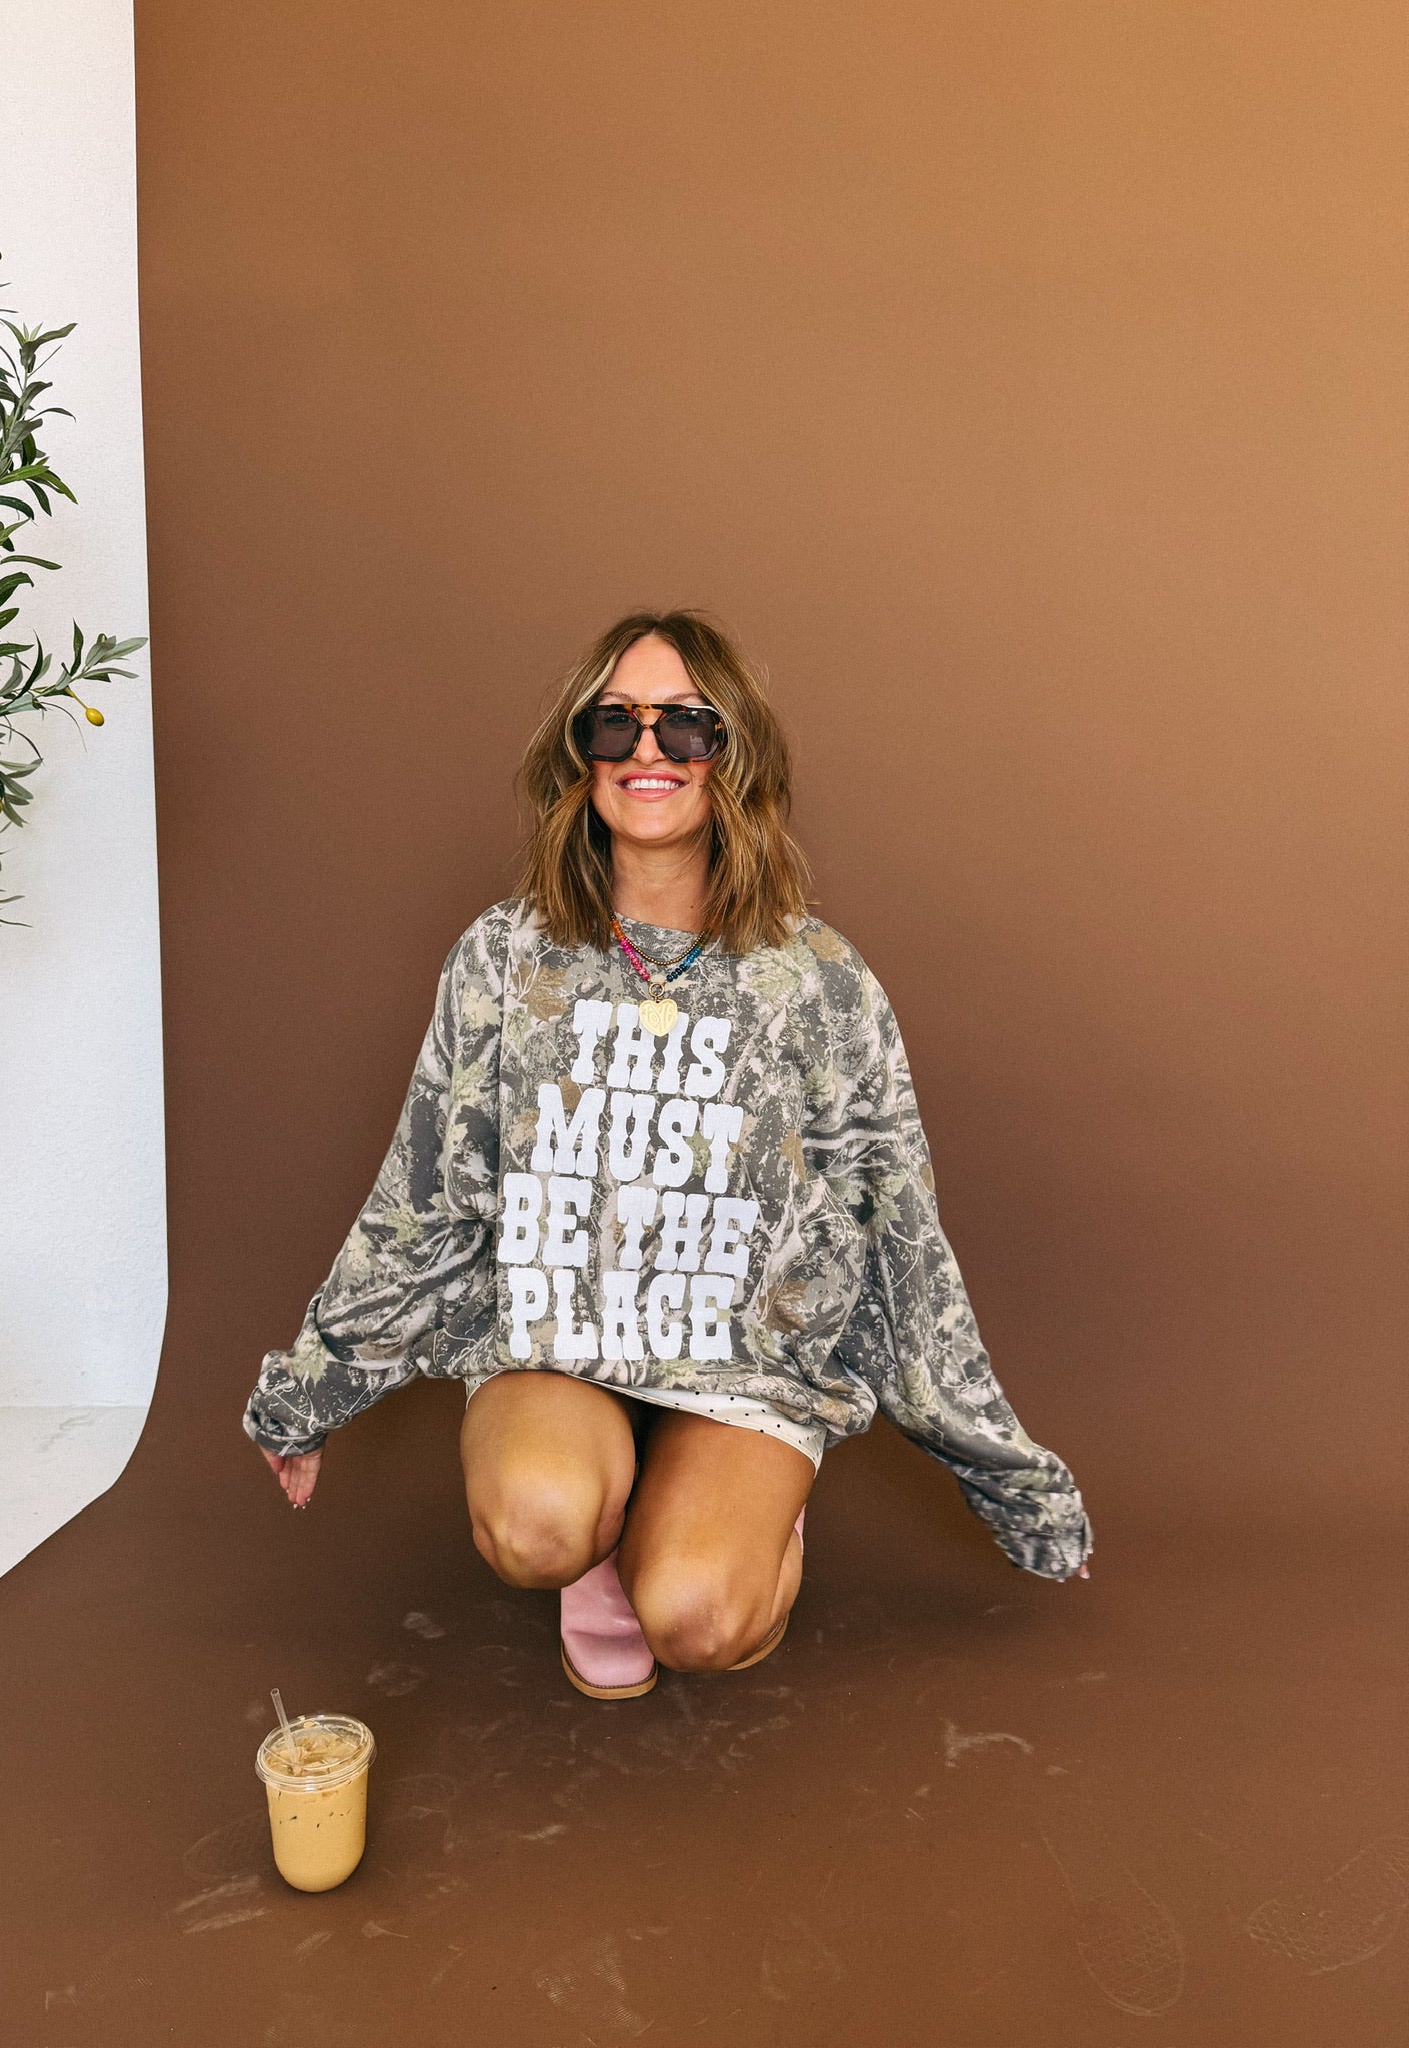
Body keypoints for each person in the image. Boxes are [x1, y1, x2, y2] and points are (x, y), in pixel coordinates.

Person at [243, 610, 1092, 1700]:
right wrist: (308, 1390)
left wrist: (1013, 1480)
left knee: (696, 1620)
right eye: (615, 723)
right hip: (557, 1344)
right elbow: (430, 1195)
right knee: (534, 1525)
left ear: (736, 758)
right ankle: (601, 1524)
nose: (648, 749)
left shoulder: (817, 983)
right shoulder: (505, 957)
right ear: (580, 756)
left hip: (742, 1365)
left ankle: (716, 1519)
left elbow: (900, 1241)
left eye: (688, 726)